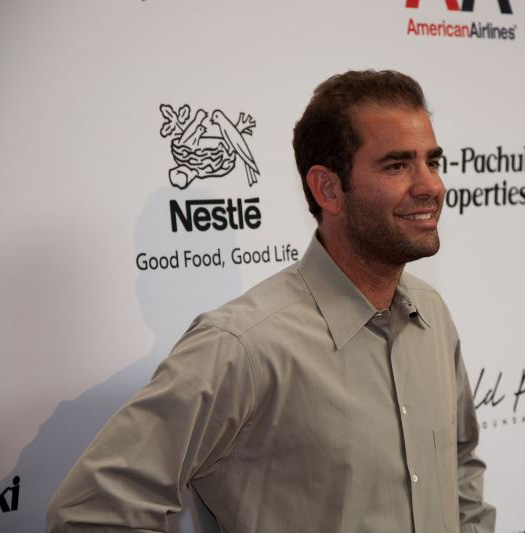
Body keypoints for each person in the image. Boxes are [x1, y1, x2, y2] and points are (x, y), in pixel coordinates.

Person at [48, 70, 496, 533]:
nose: (430, 186)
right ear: (328, 189)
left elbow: (460, 465)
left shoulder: (431, 312)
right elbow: (88, 514)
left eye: (432, 162)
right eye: (397, 166)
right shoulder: (242, 345)